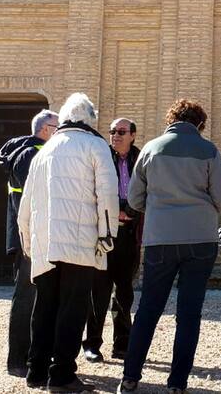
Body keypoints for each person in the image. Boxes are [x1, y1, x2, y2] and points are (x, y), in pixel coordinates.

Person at [118, 99, 221, 394]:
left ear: (171, 119)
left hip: (160, 239)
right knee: (190, 313)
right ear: (199, 124)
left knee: (148, 310)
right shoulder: (209, 151)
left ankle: (130, 377)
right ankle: (177, 383)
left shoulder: (152, 149)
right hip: (200, 239)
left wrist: (158, 208)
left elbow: (134, 199)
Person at [18, 93, 118, 393]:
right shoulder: (96, 146)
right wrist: (107, 235)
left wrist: (27, 239)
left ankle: (36, 371)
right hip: (79, 240)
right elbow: (107, 197)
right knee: (73, 308)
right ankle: (61, 374)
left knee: (45, 306)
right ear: (90, 119)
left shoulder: (45, 151)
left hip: (45, 244)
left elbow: (26, 202)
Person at [0, 108, 58, 378]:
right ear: (45, 129)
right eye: (57, 127)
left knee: (40, 298)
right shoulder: (30, 155)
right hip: (29, 238)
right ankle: (18, 361)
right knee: (26, 297)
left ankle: (36, 356)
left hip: (37, 236)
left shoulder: (33, 152)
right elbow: (33, 201)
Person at [83, 118, 143, 363]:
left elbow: (146, 190)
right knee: (98, 290)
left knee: (125, 291)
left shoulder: (141, 159)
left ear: (133, 136)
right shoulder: (101, 156)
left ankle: (122, 344)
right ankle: (92, 344)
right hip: (104, 232)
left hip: (129, 234)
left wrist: (131, 210)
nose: (115, 136)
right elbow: (91, 187)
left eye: (121, 132)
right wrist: (114, 208)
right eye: (112, 132)